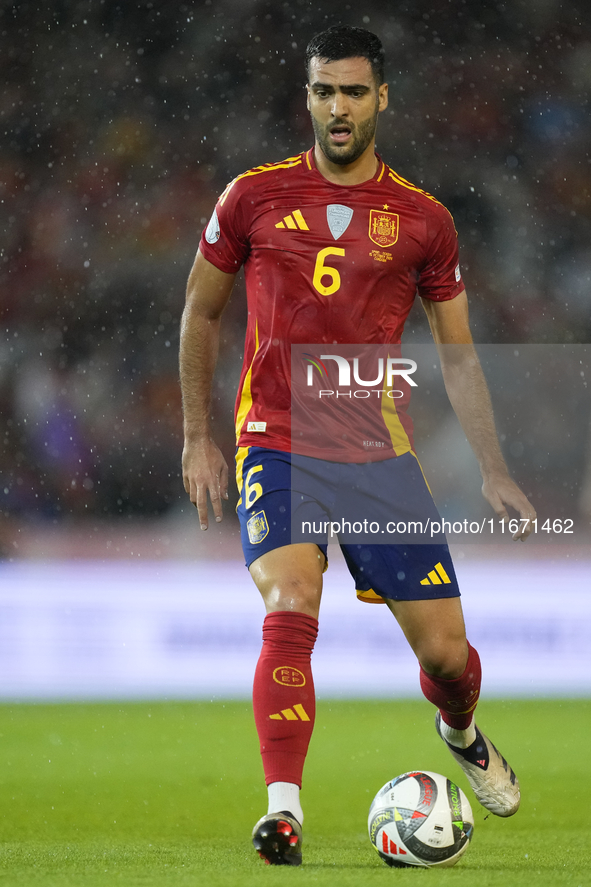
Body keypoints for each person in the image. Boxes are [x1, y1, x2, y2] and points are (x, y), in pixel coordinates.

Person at [180, 25, 536, 867]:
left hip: (377, 455)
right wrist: (198, 436)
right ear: (306, 98)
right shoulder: (251, 197)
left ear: (382, 99)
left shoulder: (422, 221)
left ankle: (459, 729)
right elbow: (200, 311)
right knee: (291, 601)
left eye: (351, 91)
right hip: (277, 442)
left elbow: (456, 352)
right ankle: (283, 811)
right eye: (321, 91)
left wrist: (493, 469)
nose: (335, 108)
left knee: (448, 657)